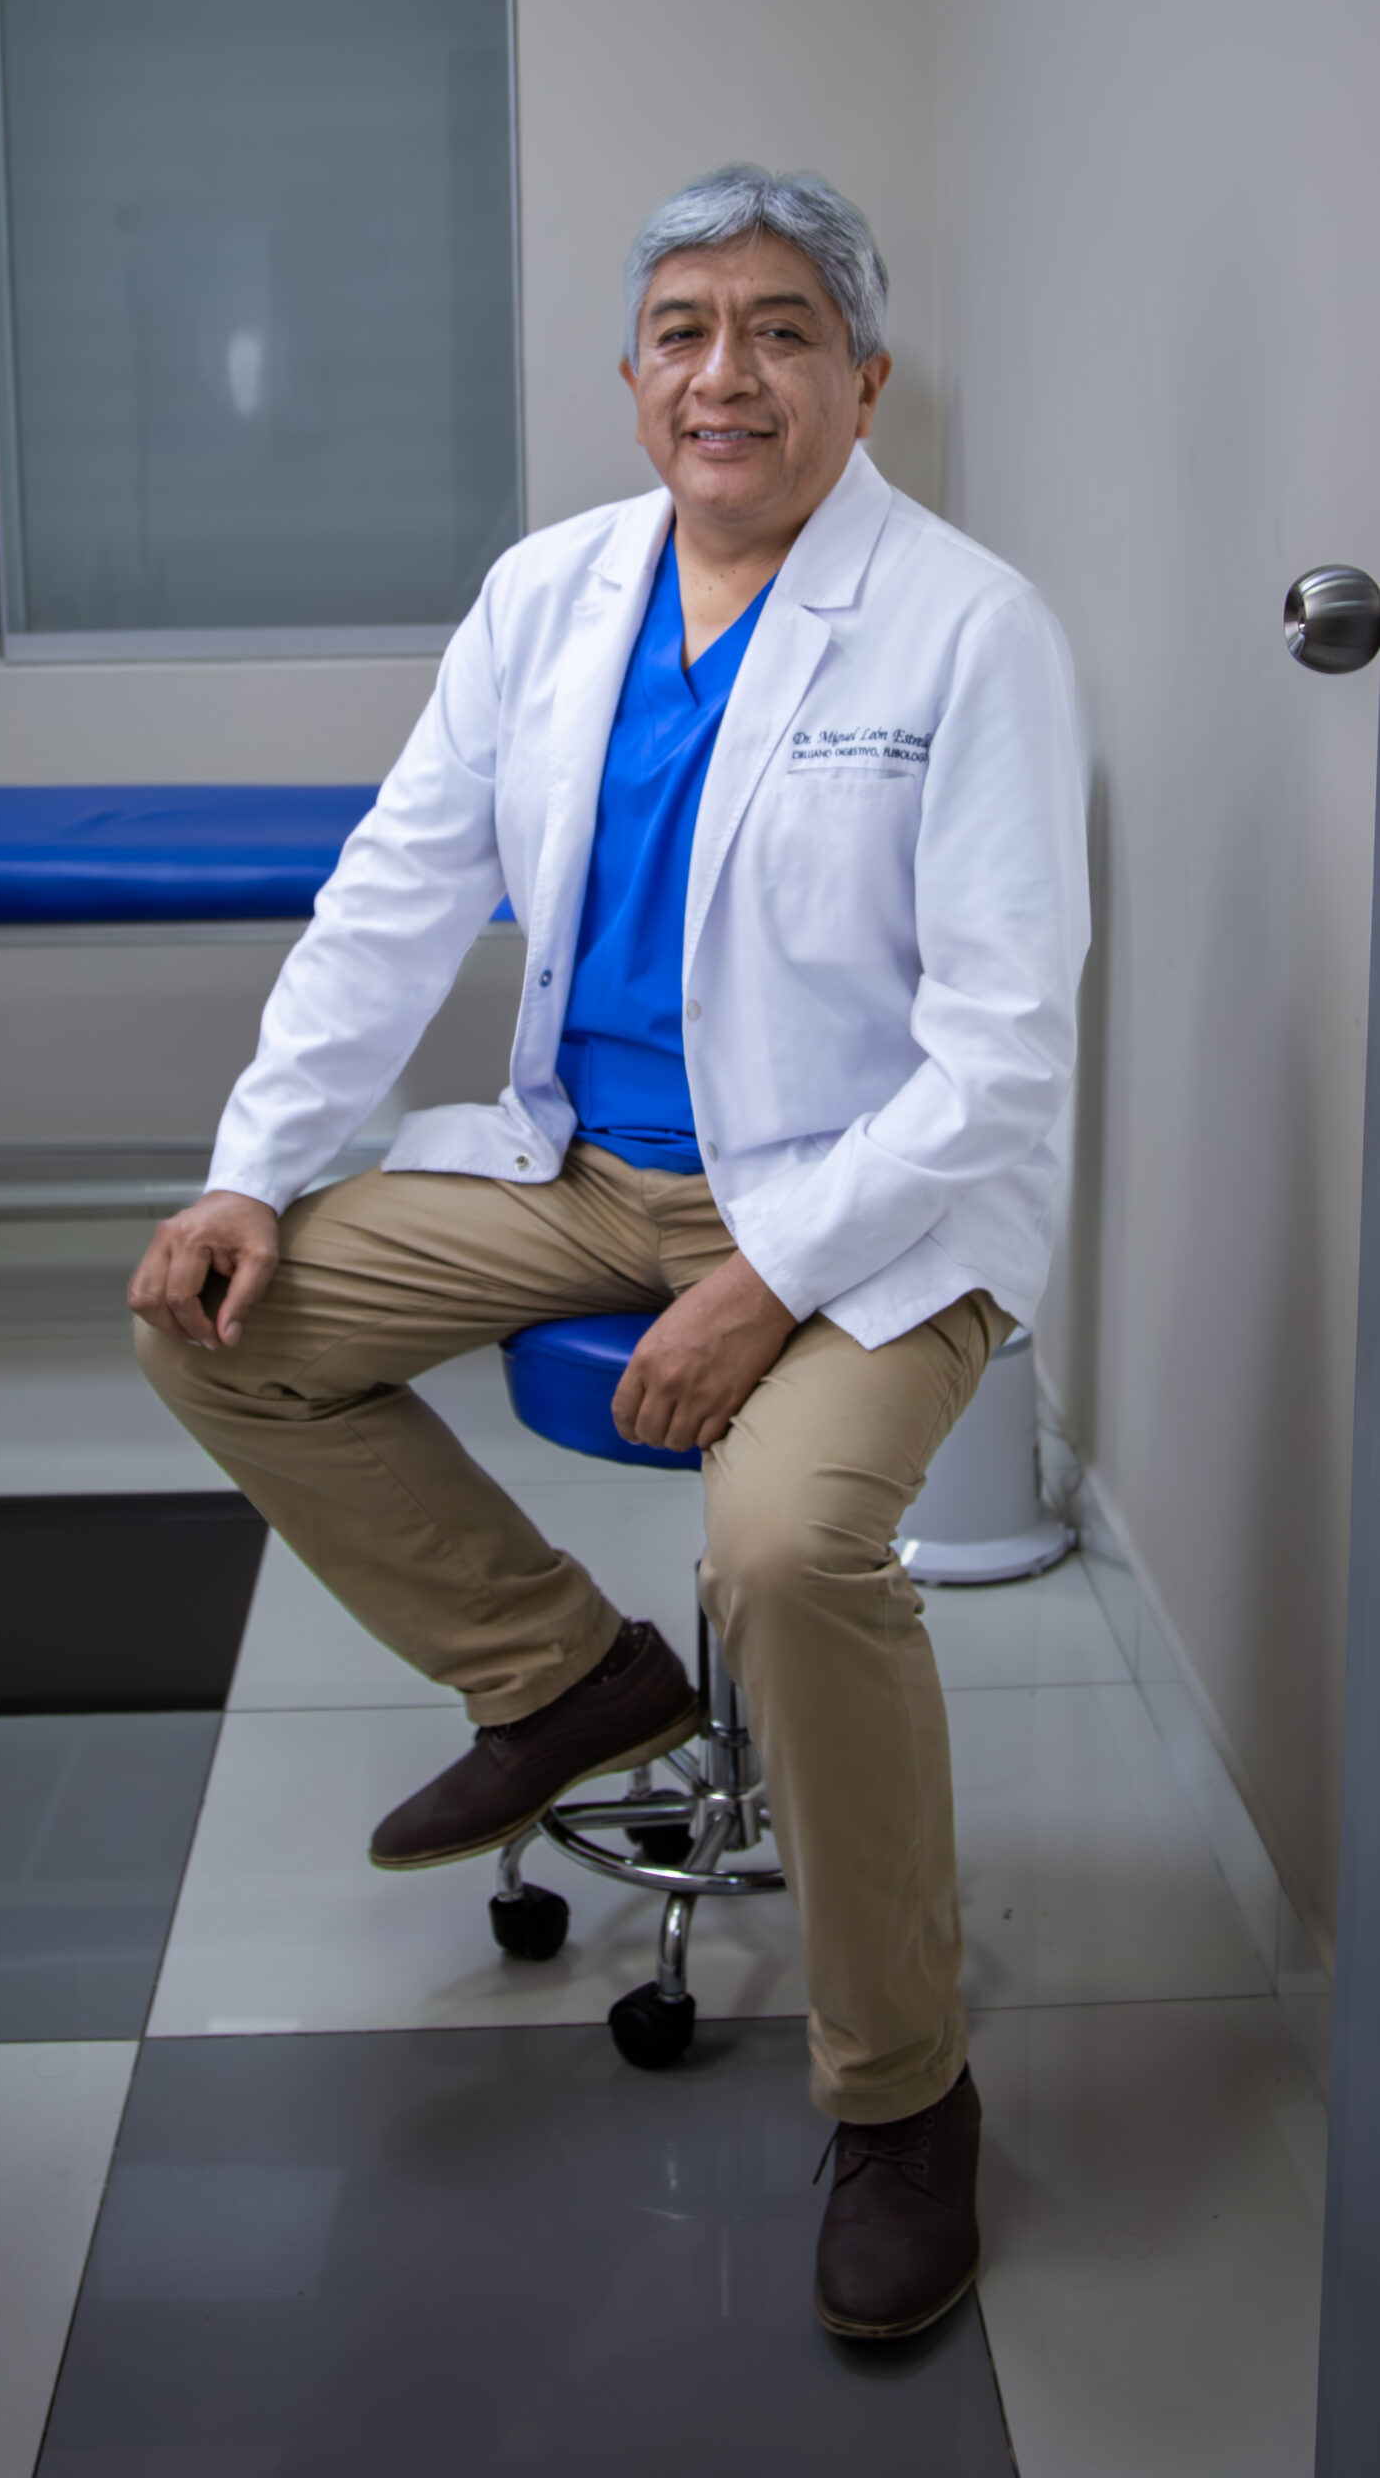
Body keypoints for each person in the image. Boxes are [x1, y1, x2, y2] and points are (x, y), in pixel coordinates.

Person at [129, 163, 1089, 2341]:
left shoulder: (968, 630)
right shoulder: (546, 596)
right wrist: (248, 1171)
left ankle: (901, 2094)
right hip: (578, 1164)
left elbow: (1001, 1052)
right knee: (215, 1322)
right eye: (681, 330)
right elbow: (390, 903)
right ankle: (561, 1674)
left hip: (864, 1200)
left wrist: (768, 1278)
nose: (723, 373)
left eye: (778, 329)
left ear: (864, 379)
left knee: (785, 1545)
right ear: (633, 374)